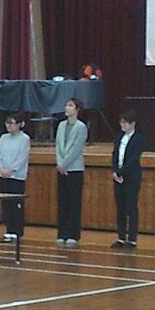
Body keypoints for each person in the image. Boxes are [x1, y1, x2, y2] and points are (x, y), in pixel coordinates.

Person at [55, 98, 88, 247]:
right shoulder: (61, 125)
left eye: (70, 105)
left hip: (74, 169)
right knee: (62, 201)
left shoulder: (81, 127)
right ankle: (62, 233)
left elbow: (76, 148)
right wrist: (60, 164)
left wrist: (65, 164)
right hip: (62, 169)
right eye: (66, 105)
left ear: (77, 109)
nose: (67, 108)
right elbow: (58, 145)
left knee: (74, 202)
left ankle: (73, 234)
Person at [0, 113, 30, 242]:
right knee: (6, 203)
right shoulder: (3, 138)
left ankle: (17, 230)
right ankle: (9, 229)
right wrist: (1, 168)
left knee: (16, 203)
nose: (9, 126)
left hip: (17, 176)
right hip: (3, 175)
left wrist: (12, 169)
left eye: (12, 123)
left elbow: (22, 157)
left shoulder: (24, 139)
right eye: (7, 123)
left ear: (20, 124)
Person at [111, 110, 145, 249]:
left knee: (131, 207)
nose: (122, 125)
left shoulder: (139, 139)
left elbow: (133, 159)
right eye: (121, 122)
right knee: (120, 207)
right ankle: (120, 237)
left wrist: (121, 172)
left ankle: (132, 239)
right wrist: (115, 171)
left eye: (125, 123)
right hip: (118, 177)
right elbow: (115, 155)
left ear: (133, 124)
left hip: (131, 177)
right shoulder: (119, 137)